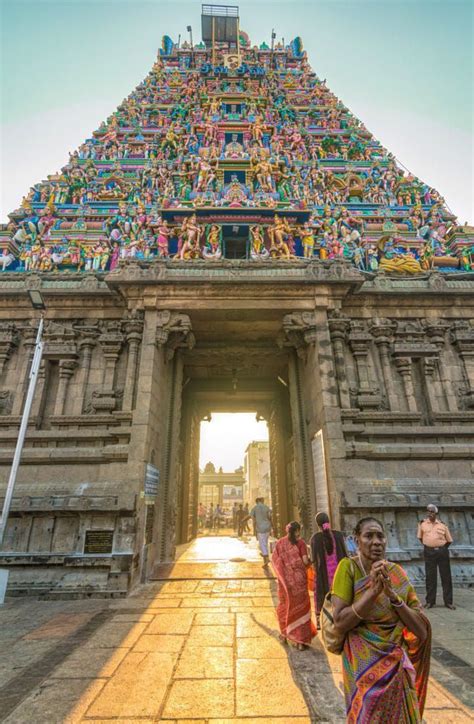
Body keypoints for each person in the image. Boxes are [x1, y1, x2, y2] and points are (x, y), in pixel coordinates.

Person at [331, 517, 431, 723]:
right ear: (356, 540)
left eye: (380, 536)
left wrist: (394, 598)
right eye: (368, 536)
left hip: (396, 669)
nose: (376, 541)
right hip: (362, 669)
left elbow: (421, 631)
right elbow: (340, 622)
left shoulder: (396, 574)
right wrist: (374, 591)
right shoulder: (348, 569)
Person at [272, 521, 315, 650]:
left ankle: (284, 634)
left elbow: (275, 560)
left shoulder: (280, 543)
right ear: (297, 531)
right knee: (301, 609)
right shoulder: (301, 543)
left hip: (286, 584)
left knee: (285, 607)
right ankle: (300, 641)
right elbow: (305, 561)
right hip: (299, 583)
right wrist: (311, 564)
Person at [310, 511, 347, 622]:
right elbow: (346, 554)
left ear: (317, 524)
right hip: (340, 573)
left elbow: (313, 559)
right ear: (329, 521)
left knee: (323, 594)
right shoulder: (339, 535)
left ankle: (320, 619)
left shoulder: (315, 538)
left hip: (323, 576)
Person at [417, 504, 455, 610]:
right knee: (430, 577)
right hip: (429, 552)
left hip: (442, 552)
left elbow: (449, 540)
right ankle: (430, 601)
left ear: (436, 513)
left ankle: (448, 602)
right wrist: (430, 545)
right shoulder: (422, 524)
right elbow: (420, 538)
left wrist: (440, 547)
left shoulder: (443, 525)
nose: (430, 513)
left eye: (432, 512)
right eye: (428, 511)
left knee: (446, 577)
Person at [250, 497, 273, 566]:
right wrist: (272, 526)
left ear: (256, 502)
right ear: (260, 501)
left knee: (262, 544)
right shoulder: (266, 507)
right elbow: (270, 517)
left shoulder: (254, 508)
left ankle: (266, 559)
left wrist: (254, 530)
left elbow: (253, 519)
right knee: (265, 543)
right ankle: (266, 557)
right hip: (267, 527)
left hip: (260, 529)